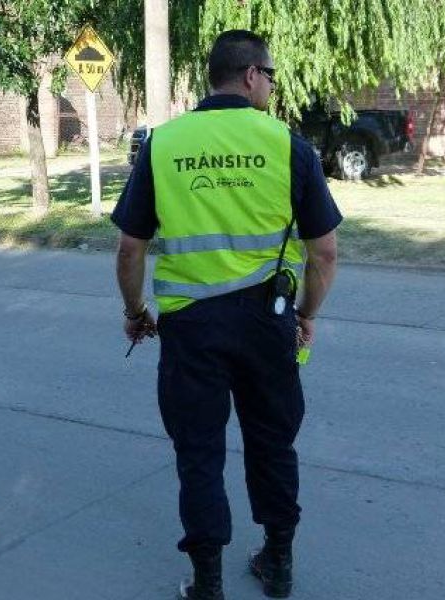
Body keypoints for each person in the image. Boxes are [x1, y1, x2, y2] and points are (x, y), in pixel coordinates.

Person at [112, 30, 341, 599]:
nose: (271, 87)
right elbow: (325, 251)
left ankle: (207, 582)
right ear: (250, 75)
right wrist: (307, 314)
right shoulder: (287, 144)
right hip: (268, 322)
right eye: (270, 77)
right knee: (272, 441)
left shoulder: (163, 144)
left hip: (190, 327)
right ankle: (279, 563)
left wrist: (136, 311)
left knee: (198, 450)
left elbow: (129, 248)